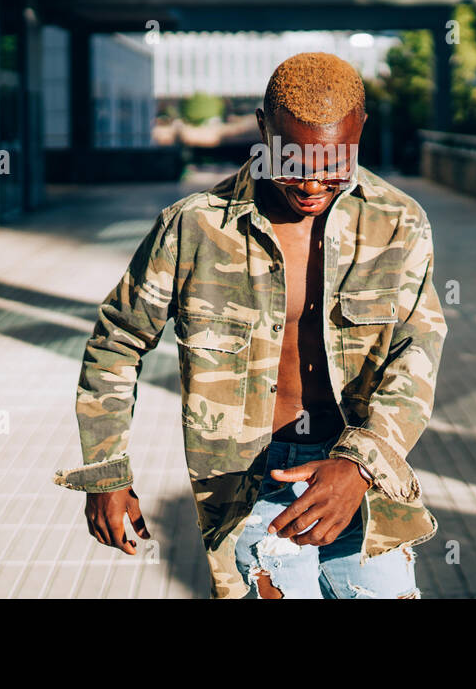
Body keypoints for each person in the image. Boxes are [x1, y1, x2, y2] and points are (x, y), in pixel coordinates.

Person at [53, 51, 448, 598]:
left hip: (360, 480)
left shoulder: (397, 222)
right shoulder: (193, 227)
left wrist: (362, 465)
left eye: (335, 165)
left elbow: (417, 348)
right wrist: (105, 472)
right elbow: (116, 341)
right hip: (249, 485)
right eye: (294, 163)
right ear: (264, 129)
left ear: (359, 133)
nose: (313, 185)